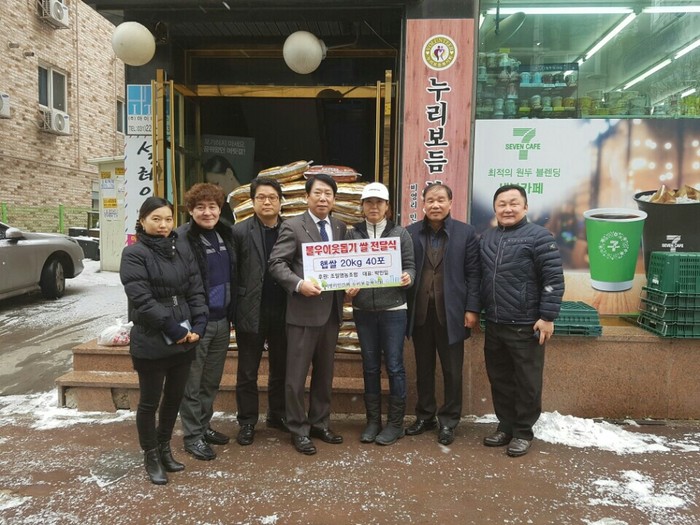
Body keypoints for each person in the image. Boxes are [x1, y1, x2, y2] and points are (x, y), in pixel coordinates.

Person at [119, 196, 208, 485]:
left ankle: (165, 448)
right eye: (156, 219)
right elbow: (142, 299)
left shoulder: (181, 248)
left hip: (184, 334)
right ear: (142, 221)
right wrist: (173, 329)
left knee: (174, 398)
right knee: (150, 401)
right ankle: (151, 455)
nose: (163, 225)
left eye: (168, 219)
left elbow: (195, 288)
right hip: (152, 336)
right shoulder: (134, 253)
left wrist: (199, 323)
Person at [479, 184, 564, 457]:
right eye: (502, 204)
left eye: (514, 203)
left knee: (527, 382)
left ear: (525, 207)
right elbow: (478, 278)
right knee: (500, 379)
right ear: (495, 209)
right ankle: (505, 426)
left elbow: (553, 279)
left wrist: (547, 317)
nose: (508, 209)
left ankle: (523, 432)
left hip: (526, 325)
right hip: (494, 323)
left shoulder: (539, 237)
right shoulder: (487, 238)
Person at [268, 173, 347, 455]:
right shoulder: (292, 226)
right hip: (302, 312)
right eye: (318, 193)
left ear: (334, 199)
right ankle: (298, 429)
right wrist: (299, 284)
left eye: (328, 194)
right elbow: (276, 263)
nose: (323, 198)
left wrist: (352, 283)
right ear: (307, 197)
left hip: (331, 313)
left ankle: (319, 423)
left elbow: (345, 265)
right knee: (296, 376)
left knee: (325, 374)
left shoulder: (340, 227)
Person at [405, 182, 481, 446]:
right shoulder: (410, 233)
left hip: (452, 314)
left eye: (440, 200)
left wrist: (472, 308)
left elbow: (474, 274)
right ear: (423, 204)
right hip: (420, 314)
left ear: (450, 202)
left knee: (452, 370)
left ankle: (449, 420)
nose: (435, 205)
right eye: (430, 200)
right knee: (423, 368)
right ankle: (425, 416)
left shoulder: (466, 233)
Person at [345, 182, 415, 446]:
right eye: (369, 202)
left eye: (379, 203)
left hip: (394, 310)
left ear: (387, 206)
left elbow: (411, 266)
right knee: (370, 366)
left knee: (395, 366)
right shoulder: (352, 235)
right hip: (363, 310)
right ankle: (373, 421)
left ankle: (395, 423)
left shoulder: (400, 234)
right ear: (362, 206)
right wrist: (347, 287)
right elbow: (345, 269)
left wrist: (408, 277)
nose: (374, 207)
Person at [176, 183, 237, 461]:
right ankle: (192, 436)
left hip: (222, 320)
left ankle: (203, 426)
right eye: (200, 207)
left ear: (220, 209)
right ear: (190, 210)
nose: (207, 212)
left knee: (211, 381)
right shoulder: (181, 238)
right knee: (192, 383)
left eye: (212, 206)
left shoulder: (226, 235)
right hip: (196, 323)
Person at [231, 177, 288, 446]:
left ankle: (277, 414)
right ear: (253, 202)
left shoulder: (291, 229)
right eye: (261, 197)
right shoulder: (239, 231)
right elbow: (233, 273)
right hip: (250, 309)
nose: (267, 202)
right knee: (247, 370)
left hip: (284, 309)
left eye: (272, 197)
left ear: (280, 201)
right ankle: (247, 421)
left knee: (282, 367)